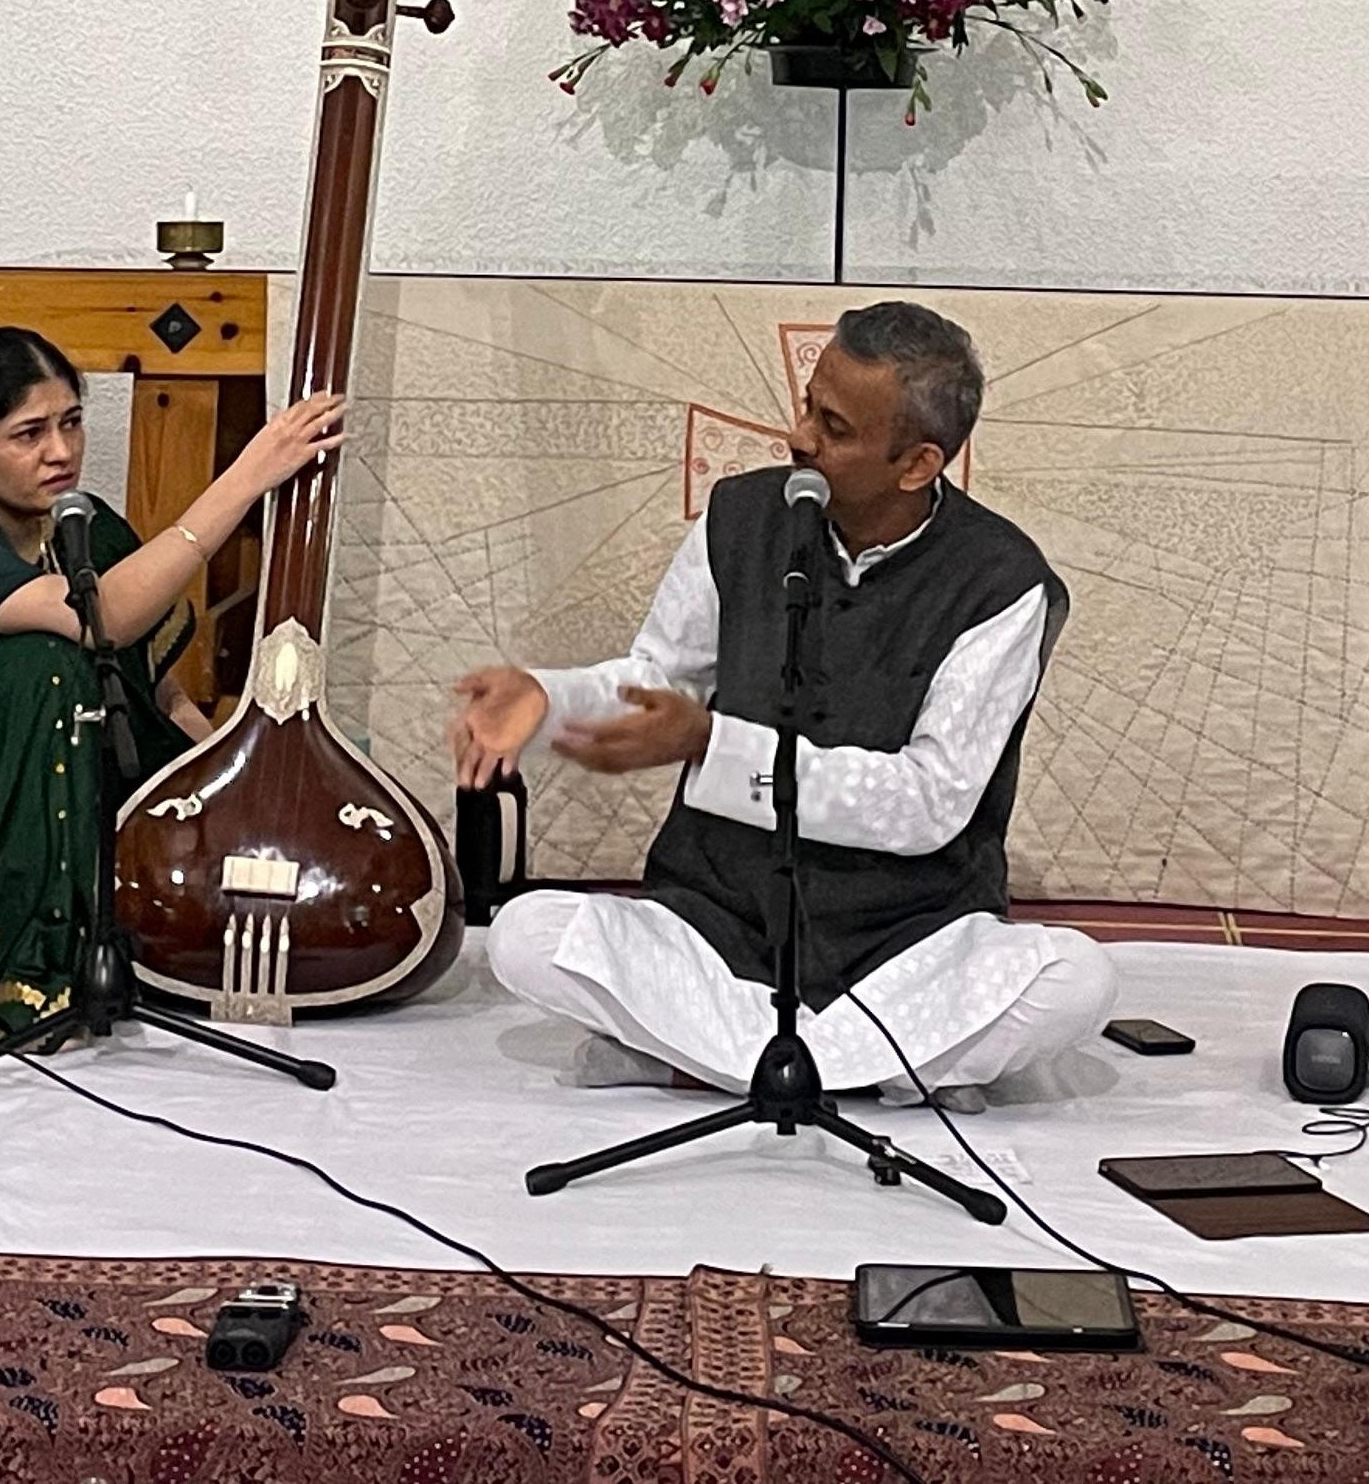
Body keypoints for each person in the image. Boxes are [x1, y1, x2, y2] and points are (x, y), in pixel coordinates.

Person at [452, 302, 1114, 1111]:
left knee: (1077, 980)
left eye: (832, 426)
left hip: (904, 938)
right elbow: (661, 679)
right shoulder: (740, 517)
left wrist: (714, 748)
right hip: (724, 917)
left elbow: (928, 803)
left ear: (917, 464)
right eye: (806, 405)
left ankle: (708, 1061)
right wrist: (548, 696)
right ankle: (879, 1071)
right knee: (526, 936)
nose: (799, 437)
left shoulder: (1002, 584)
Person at [0, 326, 342, 1030]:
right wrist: (245, 478)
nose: (61, 450)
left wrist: (218, 776)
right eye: (29, 433)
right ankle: (17, 962)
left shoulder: (83, 525)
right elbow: (94, 618)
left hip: (10, 779)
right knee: (44, 666)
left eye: (72, 422)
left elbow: (146, 684)